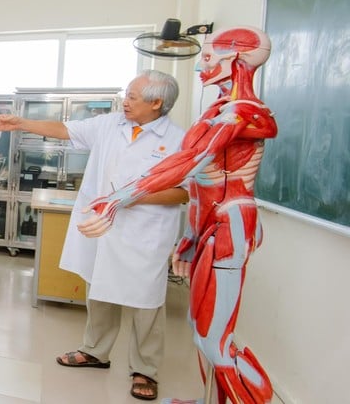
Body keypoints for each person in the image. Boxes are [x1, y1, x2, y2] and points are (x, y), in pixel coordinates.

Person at [76, 27, 279, 404]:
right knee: (200, 328)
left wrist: (118, 198)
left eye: (208, 57)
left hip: (232, 222)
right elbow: (202, 180)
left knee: (215, 337)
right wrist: (190, 237)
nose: (200, 65)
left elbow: (188, 163)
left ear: (234, 59)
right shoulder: (217, 111)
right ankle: (208, 398)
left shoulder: (244, 112)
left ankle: (252, 398)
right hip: (209, 226)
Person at [0, 70, 187, 402]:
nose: (126, 101)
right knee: (100, 288)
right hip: (102, 227)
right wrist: (21, 122)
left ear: (156, 102)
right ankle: (95, 351)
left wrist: (128, 197)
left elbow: (182, 193)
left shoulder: (179, 140)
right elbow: (65, 129)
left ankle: (145, 370)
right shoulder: (111, 124)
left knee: (146, 302)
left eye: (133, 96)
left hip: (145, 233)